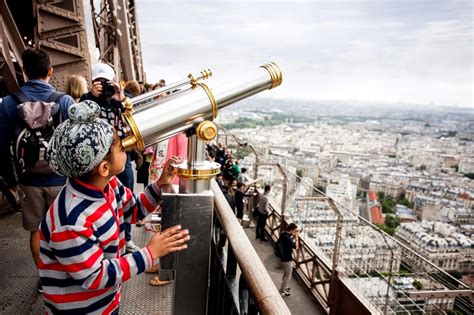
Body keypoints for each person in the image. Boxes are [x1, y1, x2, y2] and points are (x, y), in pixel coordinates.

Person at [40, 101, 189, 313]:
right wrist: (149, 253)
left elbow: (134, 210)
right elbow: (95, 276)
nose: (126, 150)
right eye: (121, 148)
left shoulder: (109, 185)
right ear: (103, 167)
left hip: (105, 303)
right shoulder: (71, 222)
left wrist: (160, 184)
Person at [0, 48, 75, 277]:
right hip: (61, 178)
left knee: (37, 231)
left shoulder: (8, 103)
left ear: (23, 70)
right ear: (50, 71)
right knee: (63, 228)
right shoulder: (64, 101)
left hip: (28, 180)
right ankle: (66, 274)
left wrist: (13, 179)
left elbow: (2, 146)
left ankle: (44, 278)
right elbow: (75, 142)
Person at [80, 63, 139, 253]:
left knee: (126, 196)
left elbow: (135, 123)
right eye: (100, 82)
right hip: (96, 160)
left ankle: (126, 239)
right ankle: (101, 240)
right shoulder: (87, 99)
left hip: (120, 157)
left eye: (107, 82)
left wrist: (121, 100)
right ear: (93, 82)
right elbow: (79, 122)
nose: (104, 87)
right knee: (95, 198)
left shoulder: (122, 99)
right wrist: (91, 97)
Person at [278, 223, 300, 296]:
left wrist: (292, 236)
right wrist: (296, 238)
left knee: (285, 274)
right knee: (288, 276)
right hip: (287, 259)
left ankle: (284, 287)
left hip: (283, 257)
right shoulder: (288, 238)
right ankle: (282, 290)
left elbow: (288, 241)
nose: (295, 232)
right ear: (291, 230)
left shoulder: (283, 234)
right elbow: (296, 247)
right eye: (294, 231)